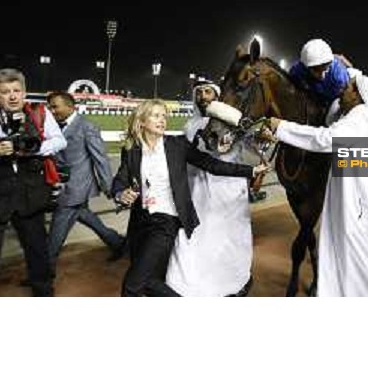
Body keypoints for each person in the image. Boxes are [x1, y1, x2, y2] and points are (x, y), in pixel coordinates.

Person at [262, 73, 368, 297]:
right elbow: (331, 124)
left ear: (358, 94)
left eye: (347, 88)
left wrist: (282, 128)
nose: (342, 91)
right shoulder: (366, 116)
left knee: (359, 254)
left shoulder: (359, 117)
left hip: (358, 206)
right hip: (363, 202)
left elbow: (325, 138)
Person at [112, 99, 268, 297]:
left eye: (164, 116)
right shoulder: (131, 150)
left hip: (165, 222)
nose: (162, 120)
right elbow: (119, 180)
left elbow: (212, 165)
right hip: (139, 223)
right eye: (156, 116)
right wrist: (121, 193)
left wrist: (252, 170)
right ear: (141, 121)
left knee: (132, 286)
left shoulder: (177, 145)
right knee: (149, 281)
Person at [0, 69, 66, 296]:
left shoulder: (39, 112)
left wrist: (32, 149)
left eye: (16, 90)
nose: (12, 96)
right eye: (5, 92)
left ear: (24, 92)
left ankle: (43, 293)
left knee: (37, 252)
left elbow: (59, 141)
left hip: (30, 194)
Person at [166, 81, 256, 296]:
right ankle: (192, 279)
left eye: (208, 91)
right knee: (198, 233)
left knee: (230, 234)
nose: (203, 96)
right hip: (198, 188)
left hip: (229, 189)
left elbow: (252, 150)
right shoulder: (189, 125)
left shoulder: (235, 121)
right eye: (199, 92)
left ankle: (234, 279)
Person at [46, 91, 125, 275]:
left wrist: (108, 186)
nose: (52, 110)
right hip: (63, 185)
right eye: (50, 106)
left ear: (69, 106)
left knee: (56, 231)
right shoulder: (54, 126)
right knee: (85, 216)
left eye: (55, 106)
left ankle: (44, 271)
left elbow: (101, 159)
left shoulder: (87, 127)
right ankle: (118, 243)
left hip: (75, 189)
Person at [288, 38, 352, 108]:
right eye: (316, 70)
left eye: (325, 69)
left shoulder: (339, 77)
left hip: (334, 96)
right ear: (306, 67)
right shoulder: (298, 69)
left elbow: (346, 100)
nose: (321, 76)